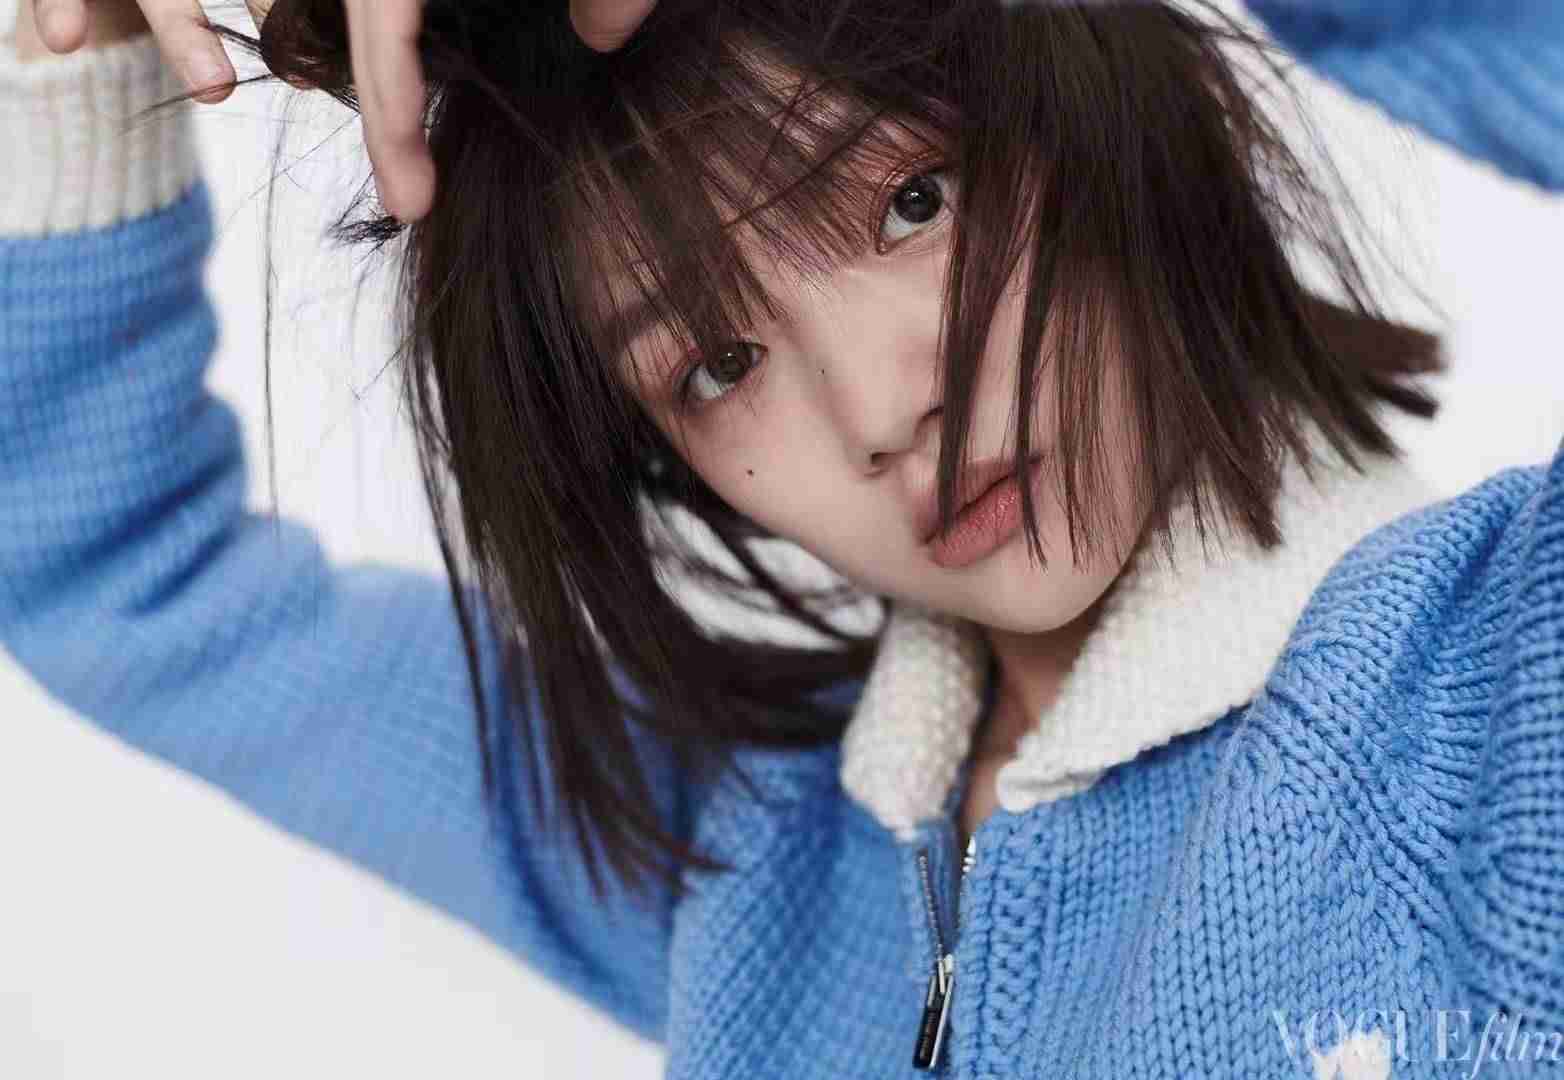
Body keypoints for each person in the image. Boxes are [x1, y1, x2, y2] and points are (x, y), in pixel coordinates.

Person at [3, 1, 1561, 1076]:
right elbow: (127, 580)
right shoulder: (747, 863)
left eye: (912, 202)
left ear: (1078, 89)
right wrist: (79, 54)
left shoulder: (1496, 707)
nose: (881, 406)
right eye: (715, 363)